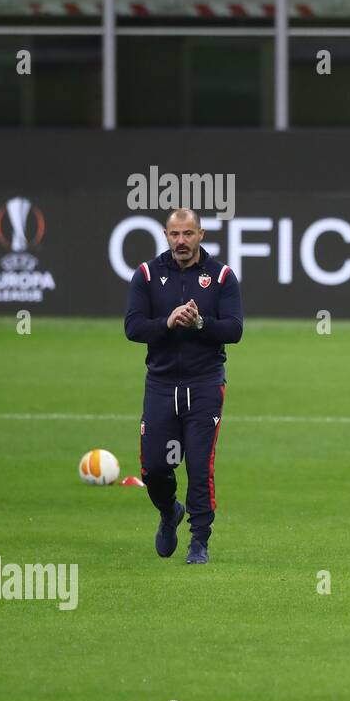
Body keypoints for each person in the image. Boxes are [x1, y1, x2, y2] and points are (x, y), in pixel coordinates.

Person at [124, 208, 243, 565]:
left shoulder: (221, 276)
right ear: (165, 235)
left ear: (201, 235)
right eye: (175, 234)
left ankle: (199, 542)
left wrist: (200, 323)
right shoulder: (146, 275)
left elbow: (234, 330)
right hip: (160, 385)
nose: (181, 241)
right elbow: (133, 327)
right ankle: (168, 511)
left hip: (204, 384)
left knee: (199, 466)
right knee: (154, 469)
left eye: (188, 234)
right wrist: (169, 322)